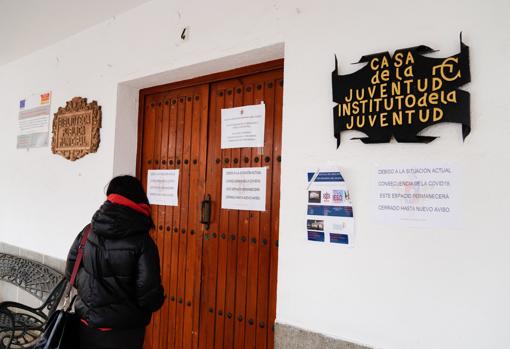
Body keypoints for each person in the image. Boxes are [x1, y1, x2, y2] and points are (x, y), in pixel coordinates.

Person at [65, 175, 165, 349]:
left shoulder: (88, 231)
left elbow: (70, 271)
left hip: (86, 325)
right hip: (123, 333)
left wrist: (92, 295)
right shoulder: (142, 242)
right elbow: (148, 296)